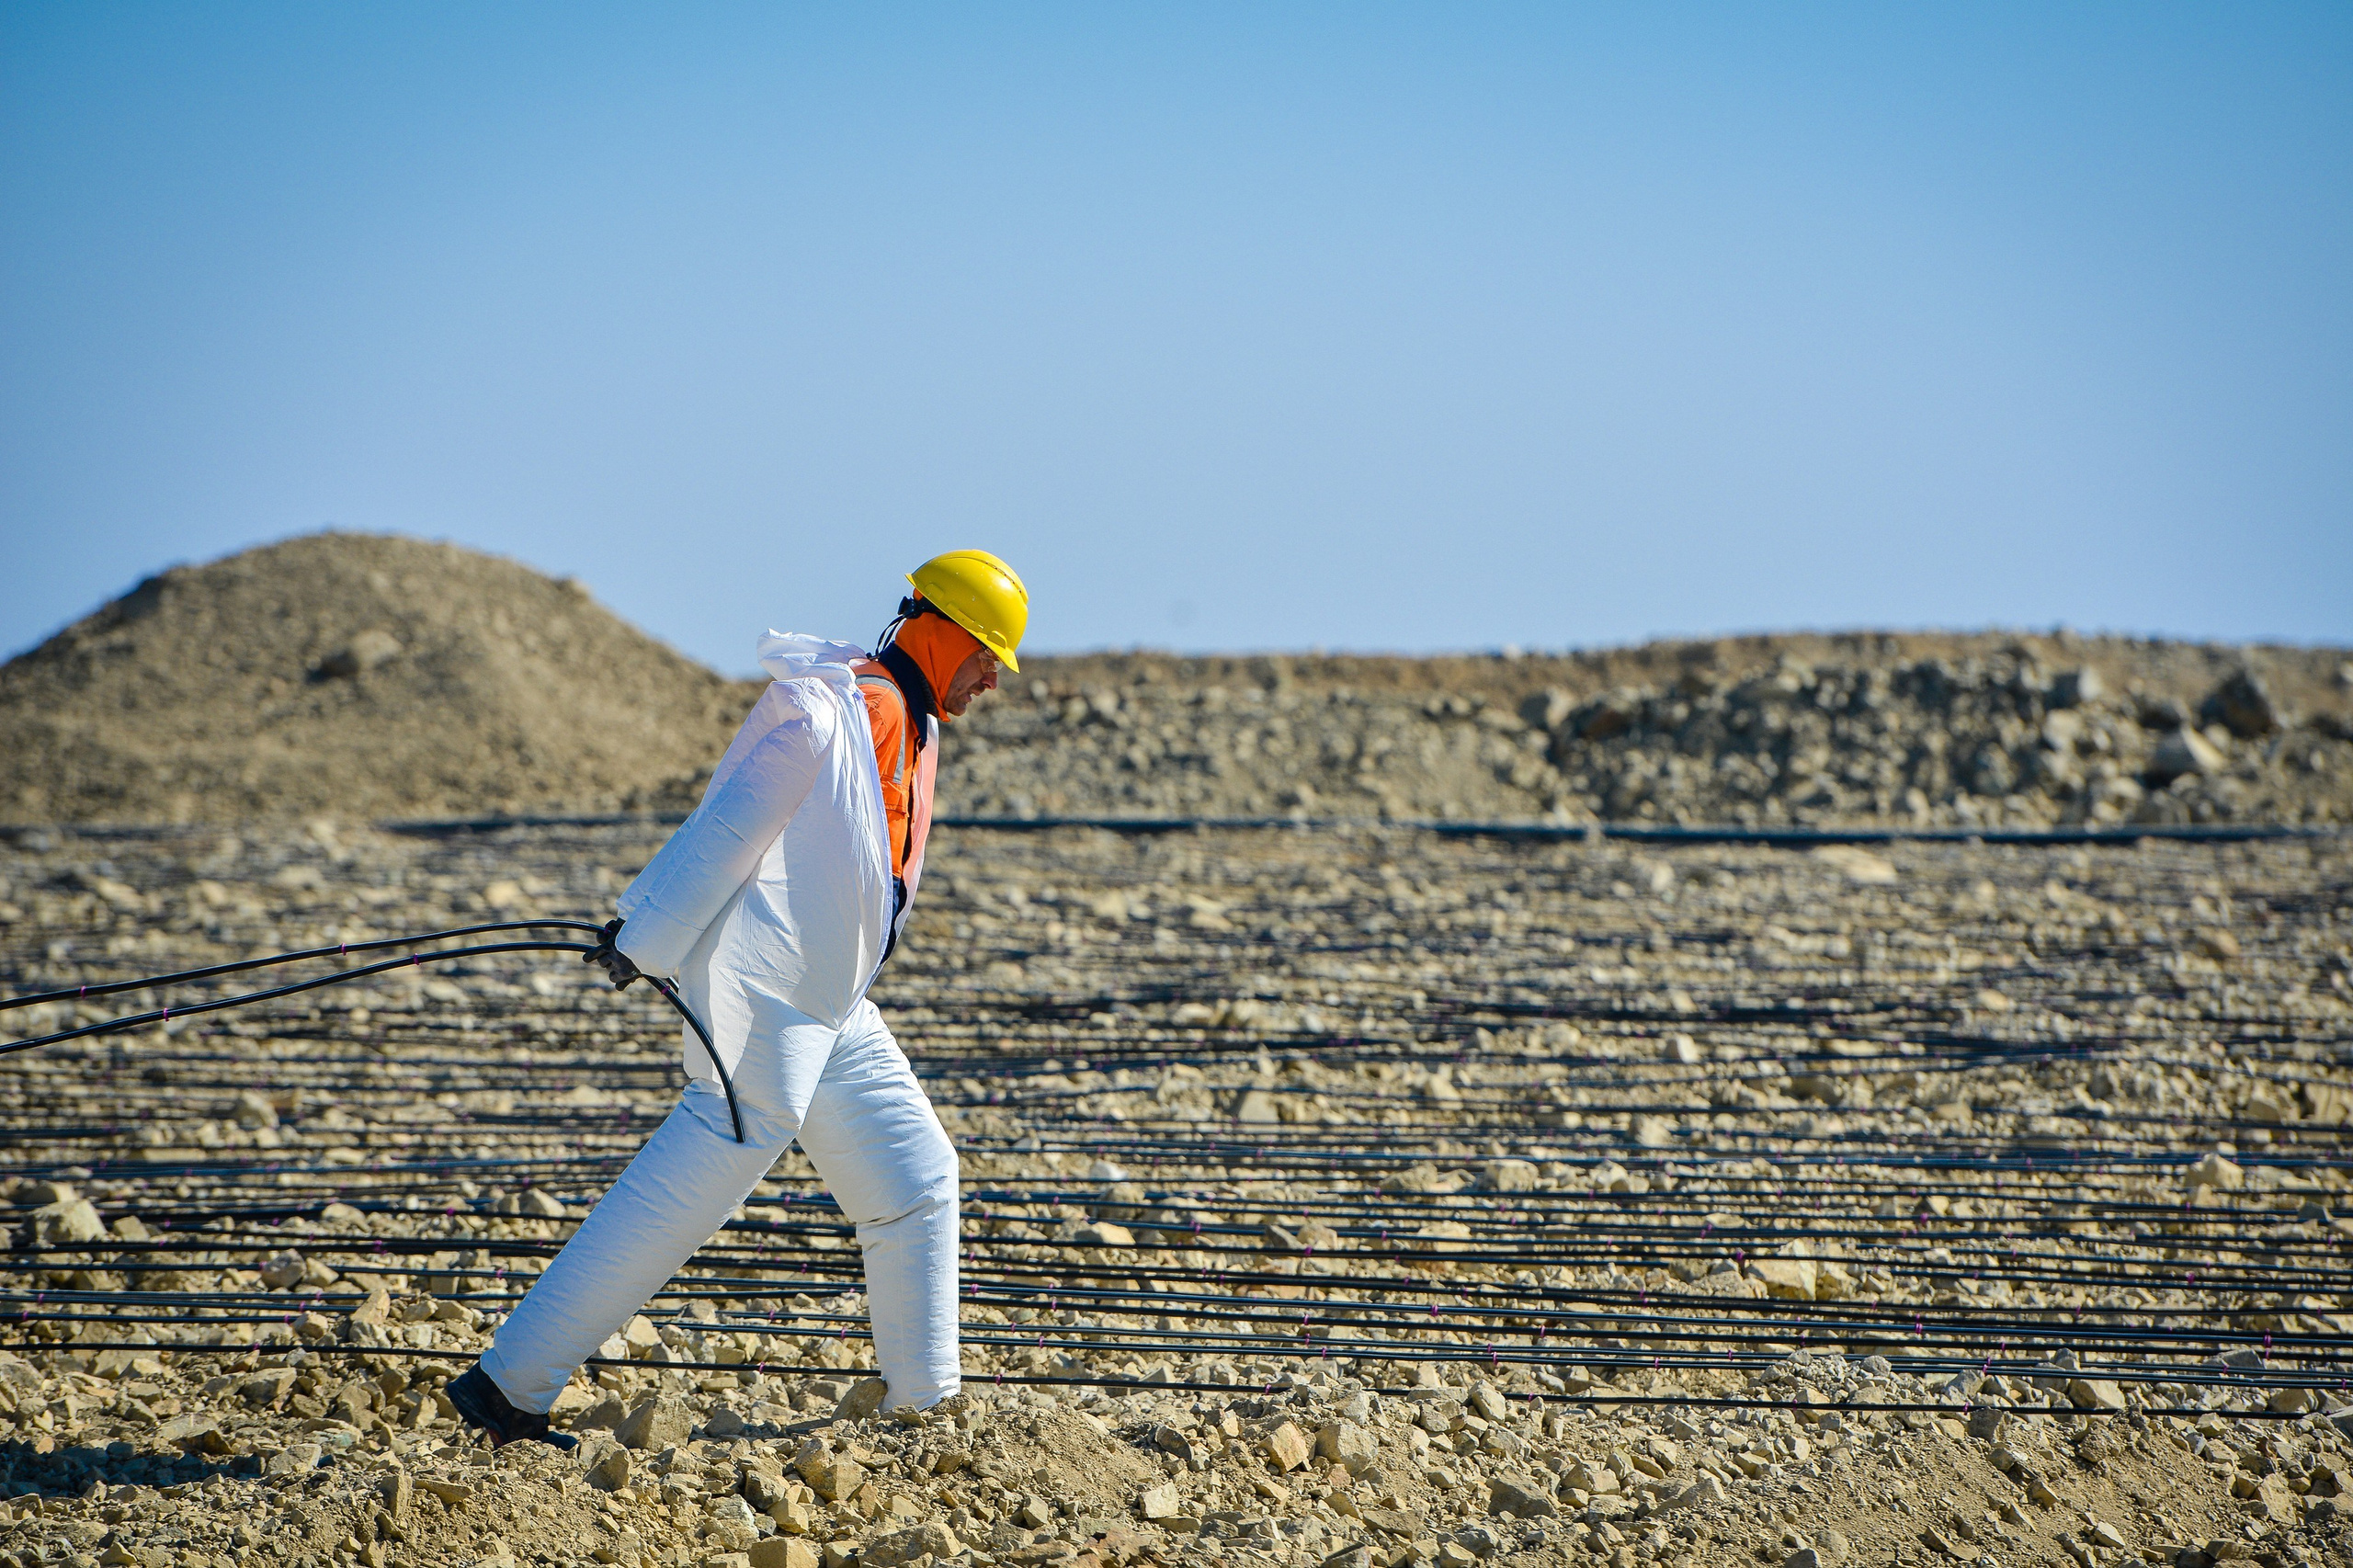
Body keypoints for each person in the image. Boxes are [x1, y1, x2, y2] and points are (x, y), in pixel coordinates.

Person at [444, 550, 1028, 1447]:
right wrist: (644, 933)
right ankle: (508, 1384)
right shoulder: (841, 705)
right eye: (987, 650)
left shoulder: (912, 721)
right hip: (768, 1000)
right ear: (940, 628)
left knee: (915, 1177)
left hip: (830, 1007)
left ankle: (929, 1411)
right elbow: (732, 819)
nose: (993, 675)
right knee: (705, 1173)